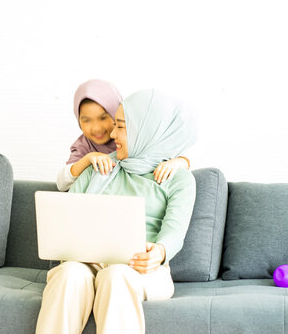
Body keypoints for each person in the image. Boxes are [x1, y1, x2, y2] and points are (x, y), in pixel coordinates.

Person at [36, 89, 197, 334]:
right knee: (68, 274)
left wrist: (159, 252)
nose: (112, 134)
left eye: (120, 127)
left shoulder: (178, 177)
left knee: (116, 276)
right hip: (87, 262)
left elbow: (175, 232)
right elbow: (69, 218)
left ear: (145, 130)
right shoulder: (99, 166)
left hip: (143, 270)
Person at [57, 79, 190, 192]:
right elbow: (62, 183)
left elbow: (165, 153)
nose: (96, 128)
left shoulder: (135, 139)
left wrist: (181, 161)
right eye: (86, 120)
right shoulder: (83, 145)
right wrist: (88, 158)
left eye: (103, 118)